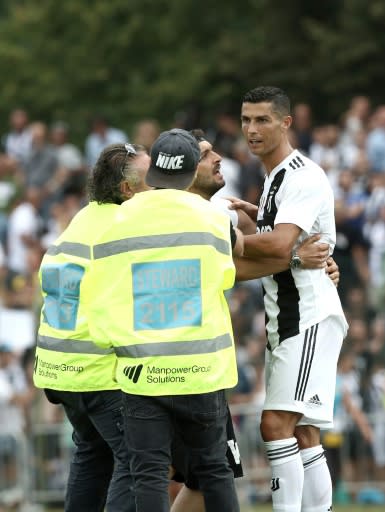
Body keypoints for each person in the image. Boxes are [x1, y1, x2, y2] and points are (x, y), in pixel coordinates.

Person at [88, 128, 243, 512]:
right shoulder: (210, 217)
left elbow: (100, 295)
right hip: (201, 368)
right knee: (214, 470)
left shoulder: (119, 221)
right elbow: (226, 276)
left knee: (148, 472)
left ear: (155, 170)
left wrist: (118, 346)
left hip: (144, 370)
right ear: (192, 172)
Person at [233, 86, 349, 512]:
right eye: (246, 119)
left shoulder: (299, 175)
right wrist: (255, 218)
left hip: (308, 315)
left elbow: (283, 246)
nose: (251, 129)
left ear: (286, 123)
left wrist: (228, 238)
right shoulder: (273, 179)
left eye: (262, 120)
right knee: (303, 434)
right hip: (291, 318)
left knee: (275, 424)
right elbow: (284, 244)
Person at [33, 142, 151, 512]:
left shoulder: (83, 220)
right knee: (137, 462)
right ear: (127, 190)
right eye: (155, 179)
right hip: (96, 371)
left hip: (59, 369)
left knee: (93, 454)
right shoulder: (123, 227)